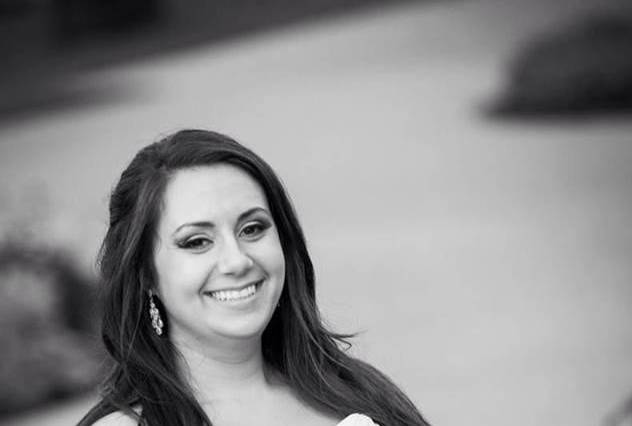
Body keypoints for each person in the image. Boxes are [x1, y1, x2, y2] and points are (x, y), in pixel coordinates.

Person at [78, 129, 431, 426]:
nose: (237, 261)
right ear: (145, 275)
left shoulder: (360, 394)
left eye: (252, 228)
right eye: (197, 242)